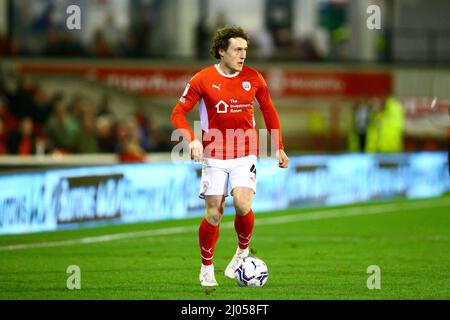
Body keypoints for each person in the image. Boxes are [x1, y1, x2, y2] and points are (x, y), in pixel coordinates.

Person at [171, 25, 289, 287]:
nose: (243, 55)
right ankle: (206, 267)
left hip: (245, 152)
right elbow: (177, 114)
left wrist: (278, 146)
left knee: (243, 203)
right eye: (237, 49)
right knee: (214, 213)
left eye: (245, 50)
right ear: (221, 51)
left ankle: (242, 252)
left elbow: (269, 112)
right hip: (214, 155)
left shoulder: (254, 78)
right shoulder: (201, 80)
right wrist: (191, 140)